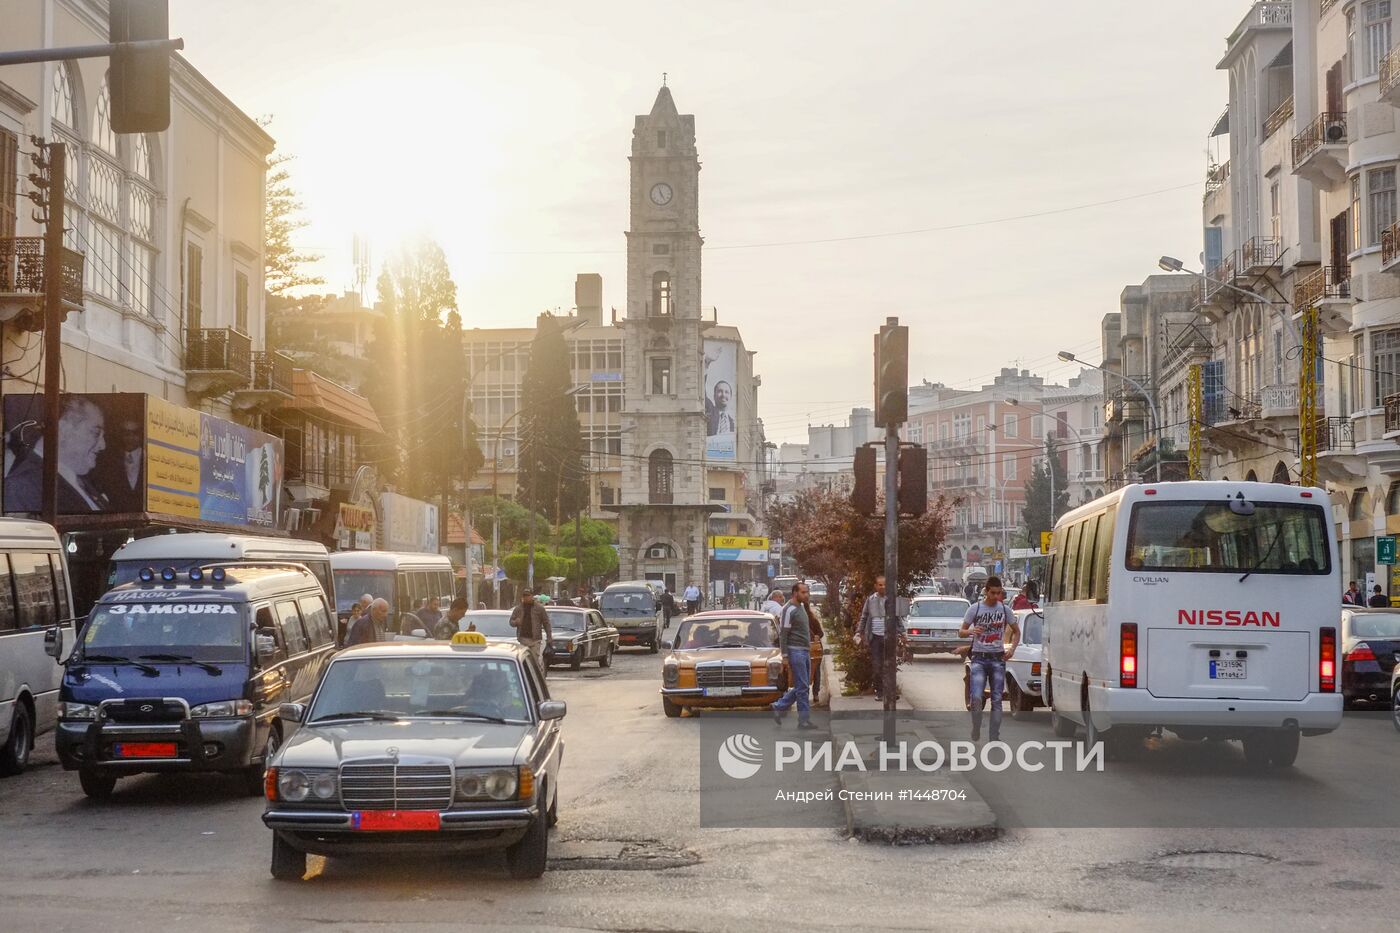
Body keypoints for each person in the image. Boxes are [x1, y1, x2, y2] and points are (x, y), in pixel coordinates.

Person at [4, 396, 110, 512]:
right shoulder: (21, 487)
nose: (103, 445)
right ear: (63, 429)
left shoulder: (79, 480)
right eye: (96, 433)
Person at [959, 576, 1020, 743]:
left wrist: (1012, 649)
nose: (996, 596)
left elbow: (1016, 631)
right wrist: (971, 631)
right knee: (977, 696)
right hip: (979, 658)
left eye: (999, 593)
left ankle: (994, 736)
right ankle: (976, 725)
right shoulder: (975, 609)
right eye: (993, 593)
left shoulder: (1005, 610)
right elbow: (961, 631)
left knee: (997, 699)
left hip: (998, 659)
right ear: (986, 591)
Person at [771, 582, 817, 729]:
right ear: (795, 593)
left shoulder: (801, 607)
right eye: (803, 592)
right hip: (795, 651)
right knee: (802, 687)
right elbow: (783, 635)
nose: (806, 595)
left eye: (807, 592)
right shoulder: (788, 609)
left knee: (802, 686)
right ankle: (803, 720)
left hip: (805, 650)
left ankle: (779, 706)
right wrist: (784, 656)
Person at [857, 575, 900, 700]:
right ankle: (879, 691)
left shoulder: (891, 600)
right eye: (880, 585)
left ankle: (890, 692)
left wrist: (902, 633)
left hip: (889, 637)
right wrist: (859, 631)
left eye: (885, 584)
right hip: (875, 638)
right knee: (877, 666)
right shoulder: (870, 600)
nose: (882, 587)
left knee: (890, 665)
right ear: (875, 586)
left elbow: (897, 618)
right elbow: (864, 617)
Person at [509, 589, 554, 673]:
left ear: (532, 596)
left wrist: (549, 637)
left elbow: (546, 623)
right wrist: (516, 622)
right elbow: (511, 622)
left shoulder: (539, 608)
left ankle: (537, 677)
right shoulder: (518, 608)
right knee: (523, 661)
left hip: (535, 639)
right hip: (522, 639)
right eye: (524, 596)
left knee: (534, 661)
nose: (526, 598)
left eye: (528, 595)